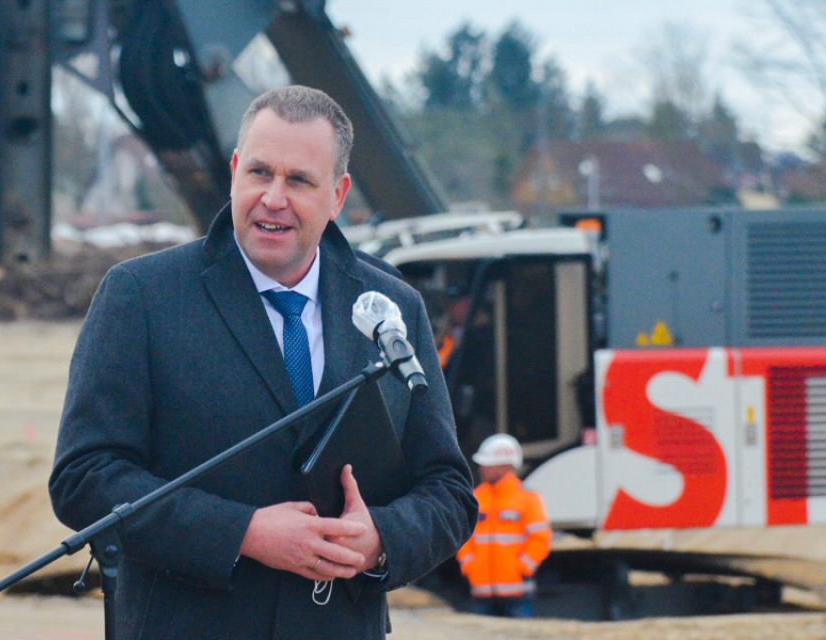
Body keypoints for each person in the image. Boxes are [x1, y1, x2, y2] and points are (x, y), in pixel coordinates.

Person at [49, 85, 477, 640]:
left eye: (299, 180)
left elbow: (448, 490)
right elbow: (85, 477)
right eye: (259, 173)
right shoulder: (140, 296)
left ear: (338, 195)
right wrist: (244, 533)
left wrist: (379, 539)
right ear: (234, 172)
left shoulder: (393, 308)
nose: (273, 198)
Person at [457, 434, 552, 618]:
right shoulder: (475, 499)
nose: (482, 469)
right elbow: (463, 538)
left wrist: (522, 568)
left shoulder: (528, 499)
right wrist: (470, 567)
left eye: (488, 464)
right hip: (481, 593)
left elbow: (541, 539)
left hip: (517, 595)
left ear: (506, 466)